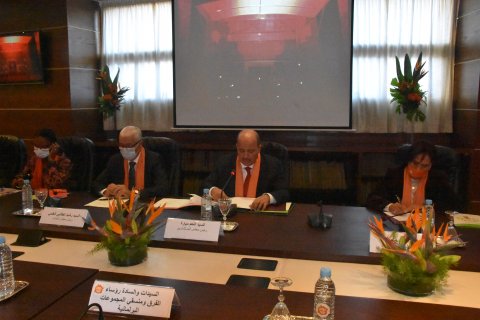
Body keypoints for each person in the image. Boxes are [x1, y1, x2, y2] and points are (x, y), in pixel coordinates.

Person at [203, 129, 289, 211]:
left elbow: (284, 192)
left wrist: (268, 197)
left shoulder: (273, 165)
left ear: (259, 148)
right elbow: (204, 185)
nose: (245, 156)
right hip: (230, 214)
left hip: (260, 215)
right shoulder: (224, 162)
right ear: (237, 147)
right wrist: (212, 190)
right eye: (241, 151)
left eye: (251, 151)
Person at [366, 140, 457, 215]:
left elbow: (452, 205)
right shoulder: (395, 174)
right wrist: (390, 206)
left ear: (430, 165)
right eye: (415, 163)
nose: (418, 169)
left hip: (427, 226)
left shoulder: (438, 178)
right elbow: (372, 198)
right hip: (398, 225)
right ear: (409, 160)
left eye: (424, 166)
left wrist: (426, 208)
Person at [92, 126, 168, 200]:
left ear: (140, 143)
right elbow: (96, 184)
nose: (124, 149)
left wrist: (134, 193)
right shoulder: (115, 160)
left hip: (145, 204)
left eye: (128, 146)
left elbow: (162, 188)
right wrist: (106, 191)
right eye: (121, 145)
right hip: (120, 205)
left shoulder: (153, 159)